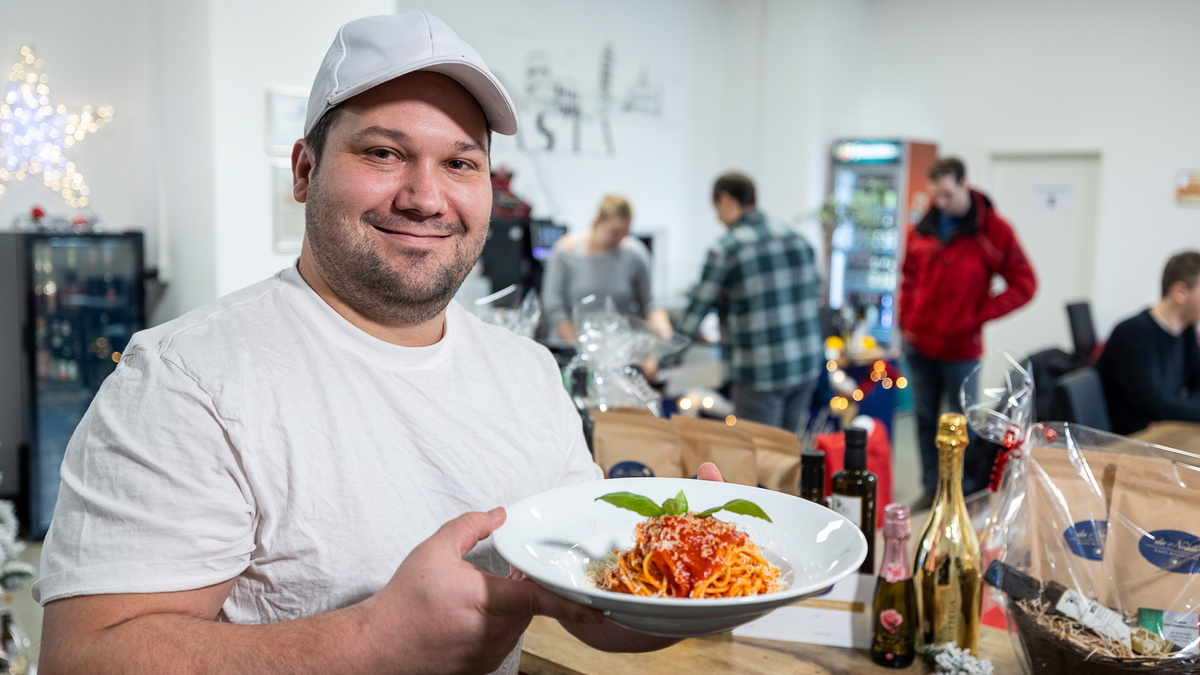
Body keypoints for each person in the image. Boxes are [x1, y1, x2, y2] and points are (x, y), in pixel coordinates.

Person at [33, 13, 713, 674]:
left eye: (460, 162)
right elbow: (83, 657)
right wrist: (367, 643)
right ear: (303, 172)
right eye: (384, 152)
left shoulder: (527, 373)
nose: (425, 196)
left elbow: (587, 595)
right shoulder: (186, 380)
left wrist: (697, 578)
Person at [899, 157, 1036, 502]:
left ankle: (958, 492)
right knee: (925, 420)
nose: (940, 203)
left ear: (963, 184)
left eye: (946, 194)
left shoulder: (994, 231)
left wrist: (978, 314)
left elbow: (1025, 283)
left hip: (960, 349)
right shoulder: (924, 227)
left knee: (962, 423)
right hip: (920, 345)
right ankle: (931, 489)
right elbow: (908, 277)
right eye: (935, 195)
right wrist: (906, 320)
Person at [668, 172, 824, 433]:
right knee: (788, 453)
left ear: (726, 201)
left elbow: (694, 314)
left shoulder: (726, 249)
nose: (717, 217)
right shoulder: (796, 236)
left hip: (760, 372)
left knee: (757, 459)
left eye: (716, 208)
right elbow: (815, 293)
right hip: (806, 365)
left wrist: (661, 360)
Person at [540, 194, 672, 342]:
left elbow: (649, 303)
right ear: (598, 221)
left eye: (625, 233)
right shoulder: (566, 252)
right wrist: (580, 346)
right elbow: (554, 306)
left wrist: (663, 333)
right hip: (571, 347)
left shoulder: (634, 254)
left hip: (619, 348)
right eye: (615, 233)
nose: (620, 239)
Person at [1095, 250, 1200, 434]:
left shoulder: (1186, 331)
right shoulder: (1133, 333)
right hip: (1123, 442)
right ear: (1180, 292)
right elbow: (1154, 405)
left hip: (1156, 434)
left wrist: (1172, 410)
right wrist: (1169, 411)